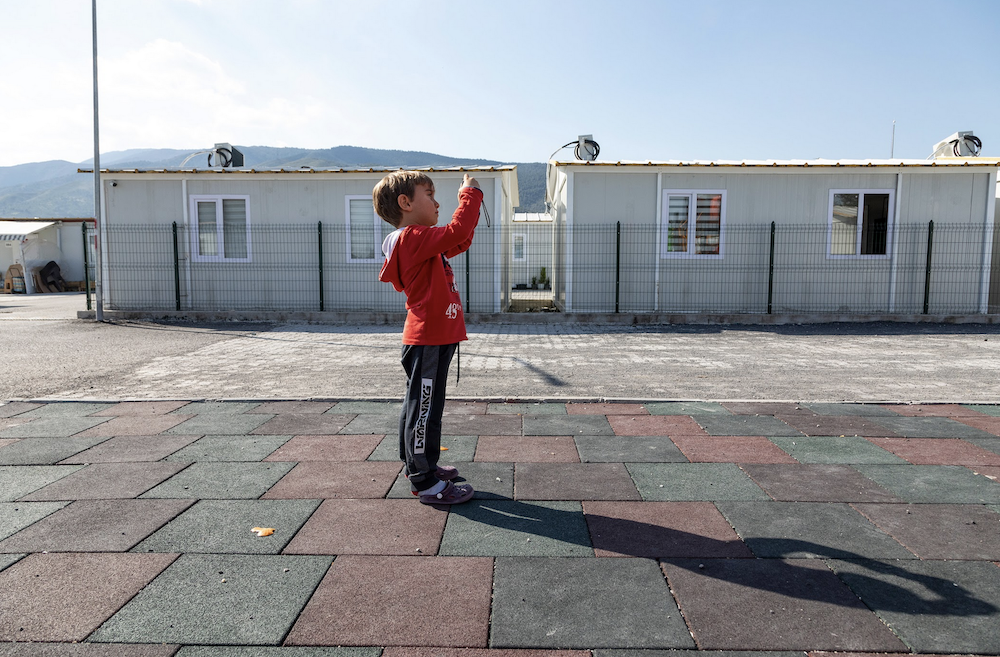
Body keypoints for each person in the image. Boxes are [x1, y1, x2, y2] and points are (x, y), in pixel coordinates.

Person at [374, 170, 482, 505]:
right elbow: (457, 230)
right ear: (405, 203)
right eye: (430, 195)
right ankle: (424, 482)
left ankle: (421, 466)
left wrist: (468, 213)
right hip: (428, 339)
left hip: (435, 338)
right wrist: (470, 194)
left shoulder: (420, 243)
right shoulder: (411, 239)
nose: (437, 203)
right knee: (423, 409)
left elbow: (459, 239)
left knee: (423, 406)